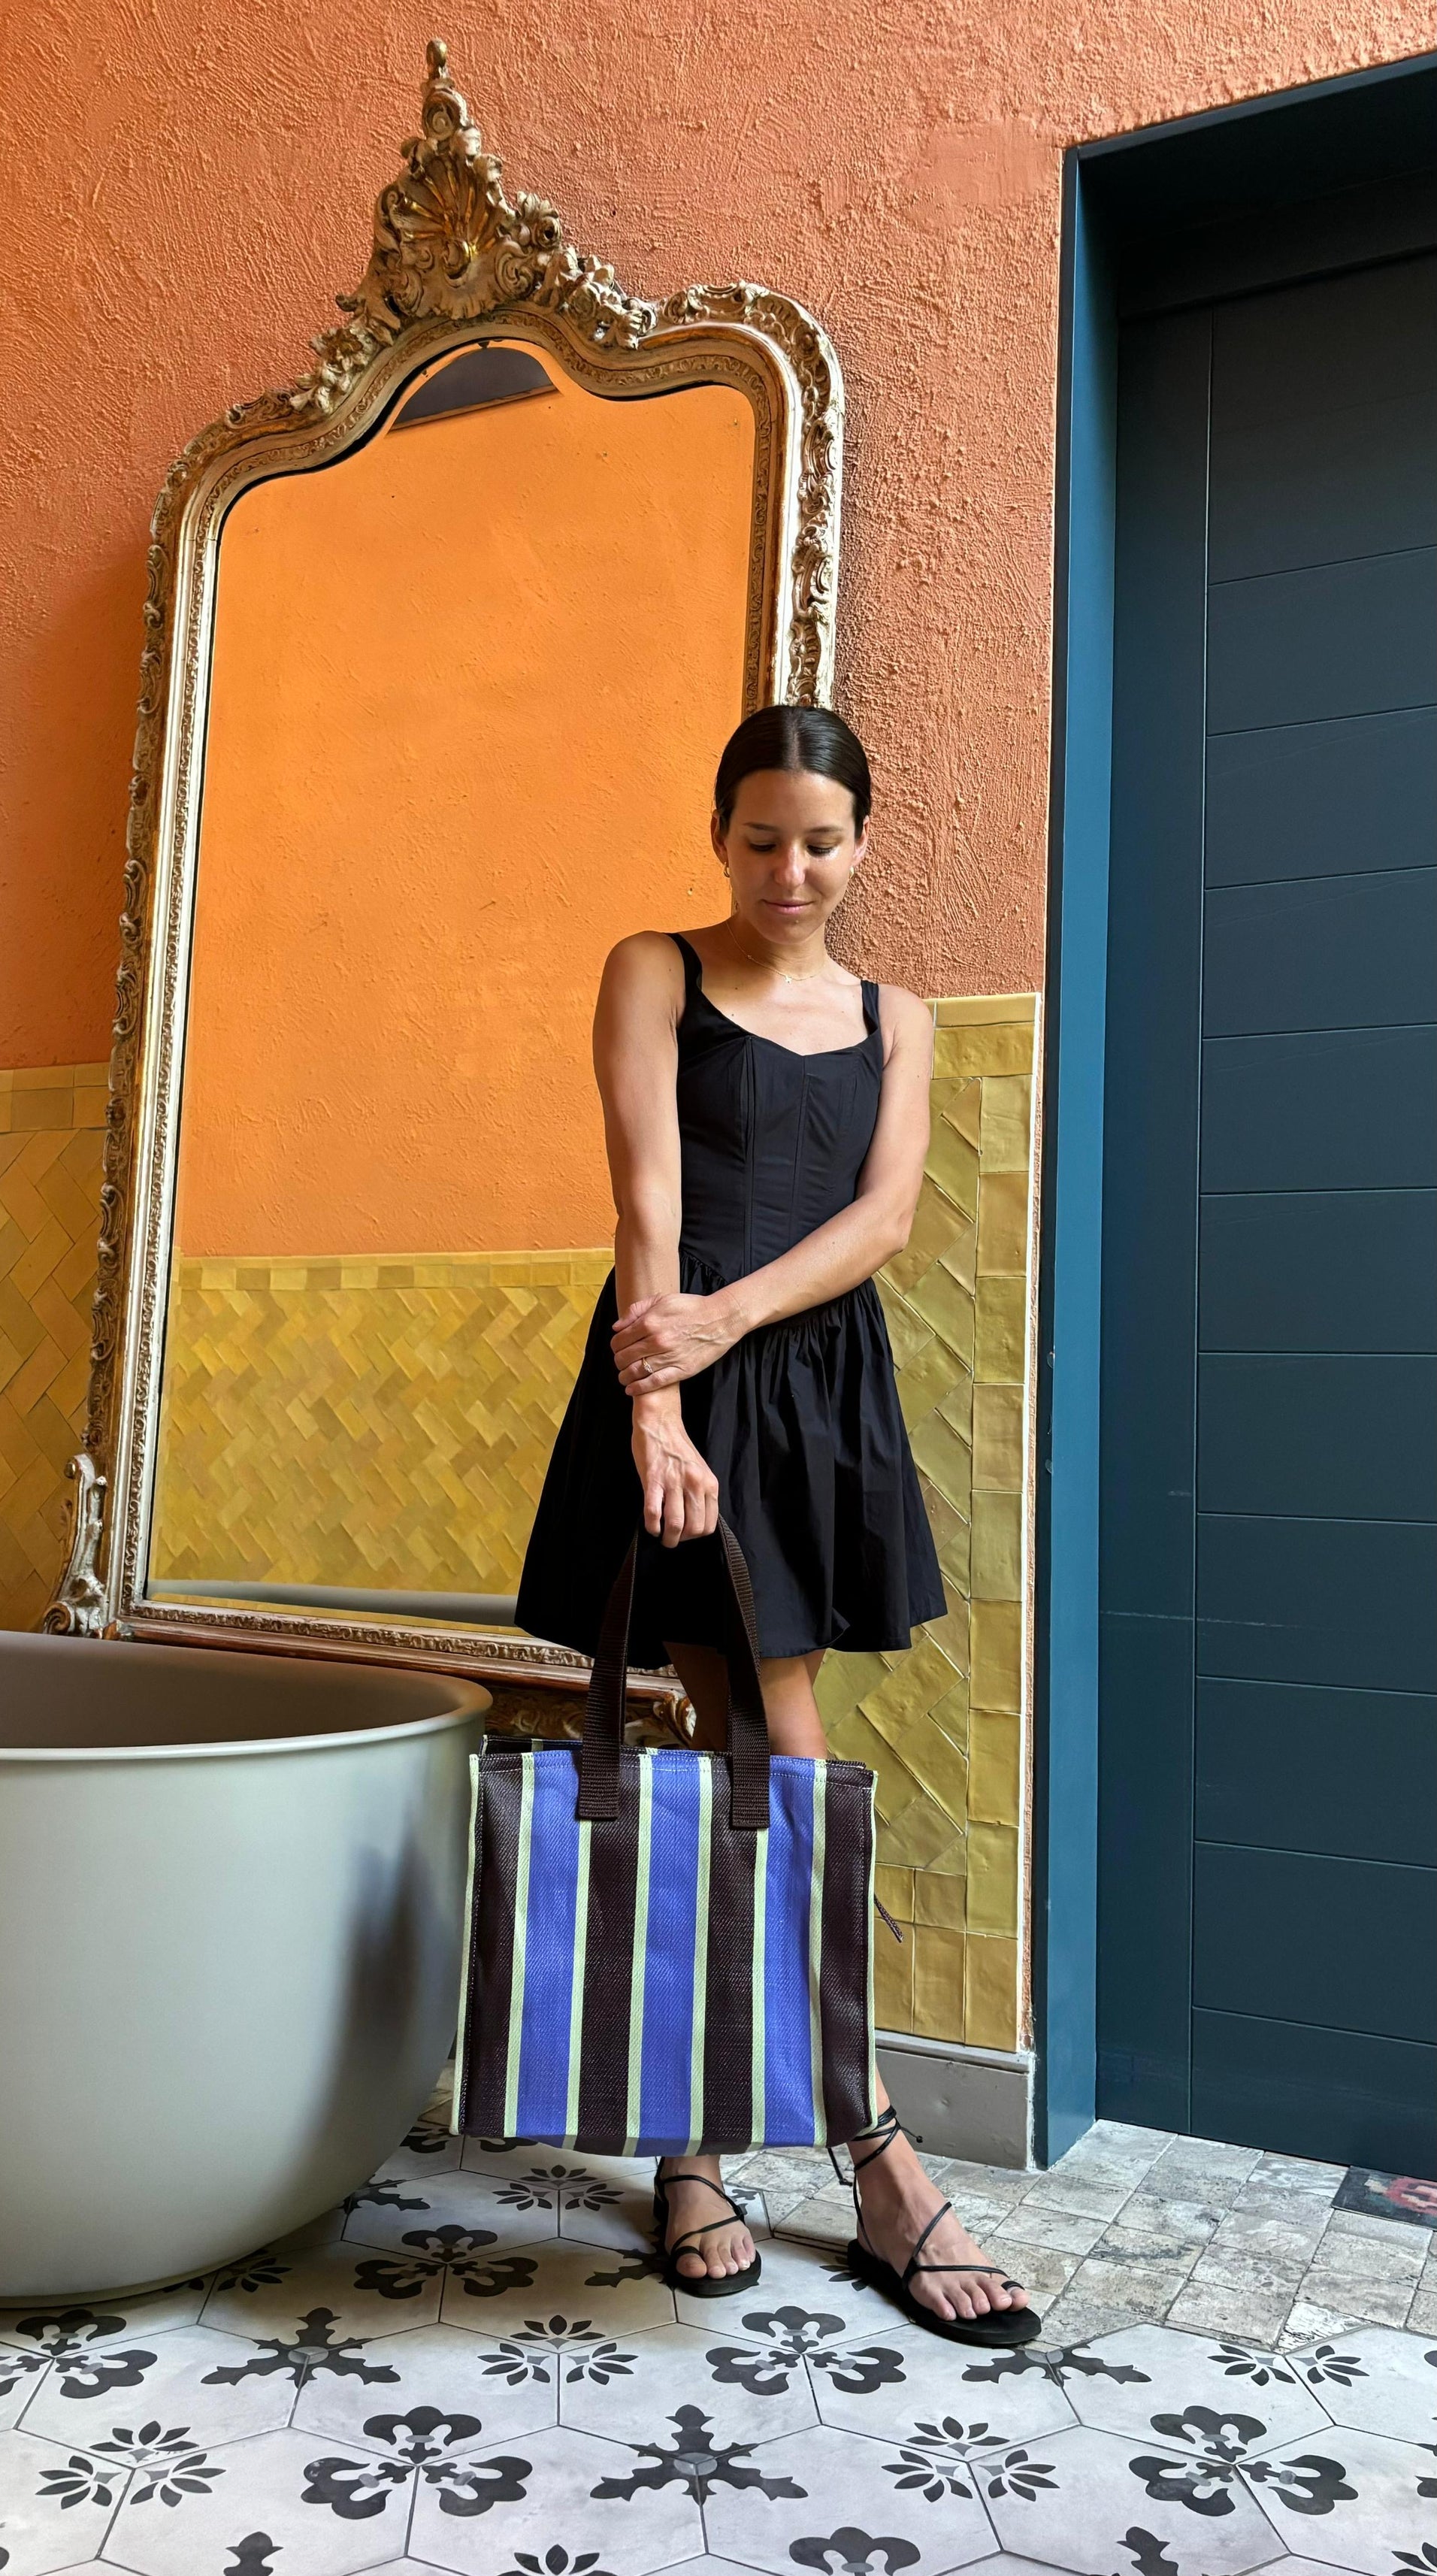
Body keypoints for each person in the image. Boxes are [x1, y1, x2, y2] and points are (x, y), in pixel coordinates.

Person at [517, 704, 1036, 2346]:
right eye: (760, 840)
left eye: (820, 842)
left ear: (861, 843)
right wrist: (659, 1408)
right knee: (773, 1750)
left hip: (810, 1385)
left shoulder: (897, 1018)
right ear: (718, 834)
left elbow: (881, 1219)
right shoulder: (653, 968)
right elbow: (644, 1196)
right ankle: (870, 2151)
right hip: (681, 1383)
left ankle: (699, 2140)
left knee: (748, 1754)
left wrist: (726, 1323)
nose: (789, 871)